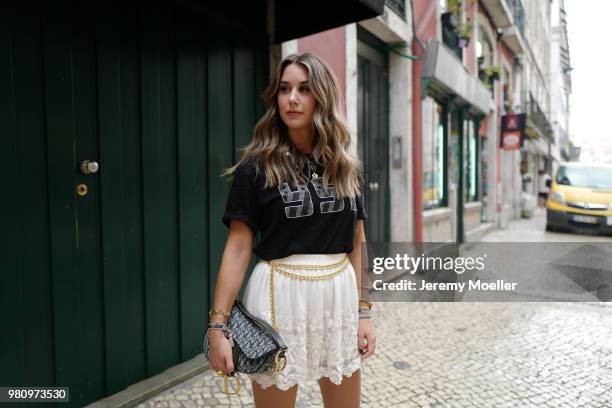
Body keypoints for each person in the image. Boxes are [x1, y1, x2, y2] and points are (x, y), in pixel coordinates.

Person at [206, 52, 376, 408]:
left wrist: (364, 313)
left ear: (323, 97)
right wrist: (218, 327)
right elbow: (238, 247)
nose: (292, 98)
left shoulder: (345, 168)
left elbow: (358, 245)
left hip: (338, 296)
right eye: (285, 89)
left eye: (304, 88)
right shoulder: (255, 167)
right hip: (277, 296)